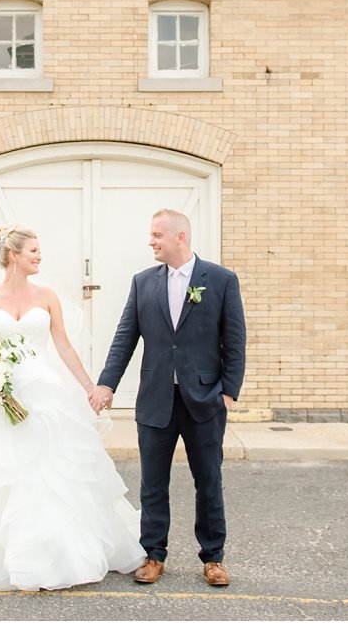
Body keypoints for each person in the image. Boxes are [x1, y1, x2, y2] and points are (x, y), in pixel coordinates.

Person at [0, 225, 146, 591]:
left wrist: (91, 387)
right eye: (33, 252)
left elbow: (63, 346)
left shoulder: (47, 296)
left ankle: (57, 556)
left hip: (45, 393)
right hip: (2, 396)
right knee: (3, 473)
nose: (40, 257)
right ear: (14, 256)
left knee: (51, 472)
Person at [89, 209, 246, 587]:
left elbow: (235, 340)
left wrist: (228, 392)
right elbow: (125, 336)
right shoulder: (143, 282)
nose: (151, 241)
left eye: (158, 234)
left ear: (181, 237)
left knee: (208, 480)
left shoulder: (221, 280)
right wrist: (106, 383)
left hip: (205, 399)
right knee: (152, 482)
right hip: (156, 398)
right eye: (151, 235)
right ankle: (153, 554)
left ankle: (213, 558)